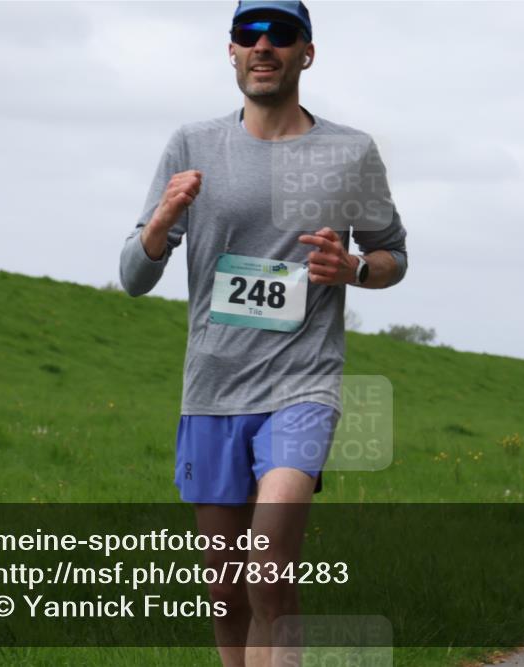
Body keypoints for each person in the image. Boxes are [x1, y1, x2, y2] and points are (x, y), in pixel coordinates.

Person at [119, 2, 408, 665]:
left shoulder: (349, 151)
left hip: (301, 384)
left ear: (307, 52)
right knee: (226, 593)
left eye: (281, 34)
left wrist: (356, 268)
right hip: (213, 390)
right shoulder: (192, 145)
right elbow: (133, 275)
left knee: (268, 567)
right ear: (231, 51)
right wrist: (161, 222)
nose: (264, 45)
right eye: (250, 35)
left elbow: (393, 255)